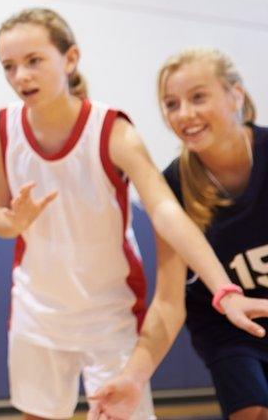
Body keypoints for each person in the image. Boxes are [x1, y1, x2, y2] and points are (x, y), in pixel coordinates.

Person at [0, 9, 259, 420]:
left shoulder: (112, 130)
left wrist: (223, 288)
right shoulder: (4, 127)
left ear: (71, 58)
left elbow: (166, 212)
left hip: (108, 312)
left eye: (34, 60)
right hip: (37, 310)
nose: (21, 75)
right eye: (9, 66)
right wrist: (14, 222)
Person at [89, 48, 268, 420]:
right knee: (252, 410)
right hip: (226, 328)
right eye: (171, 104)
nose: (184, 114)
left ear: (235, 94)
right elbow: (170, 301)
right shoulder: (172, 185)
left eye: (198, 97)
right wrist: (134, 378)